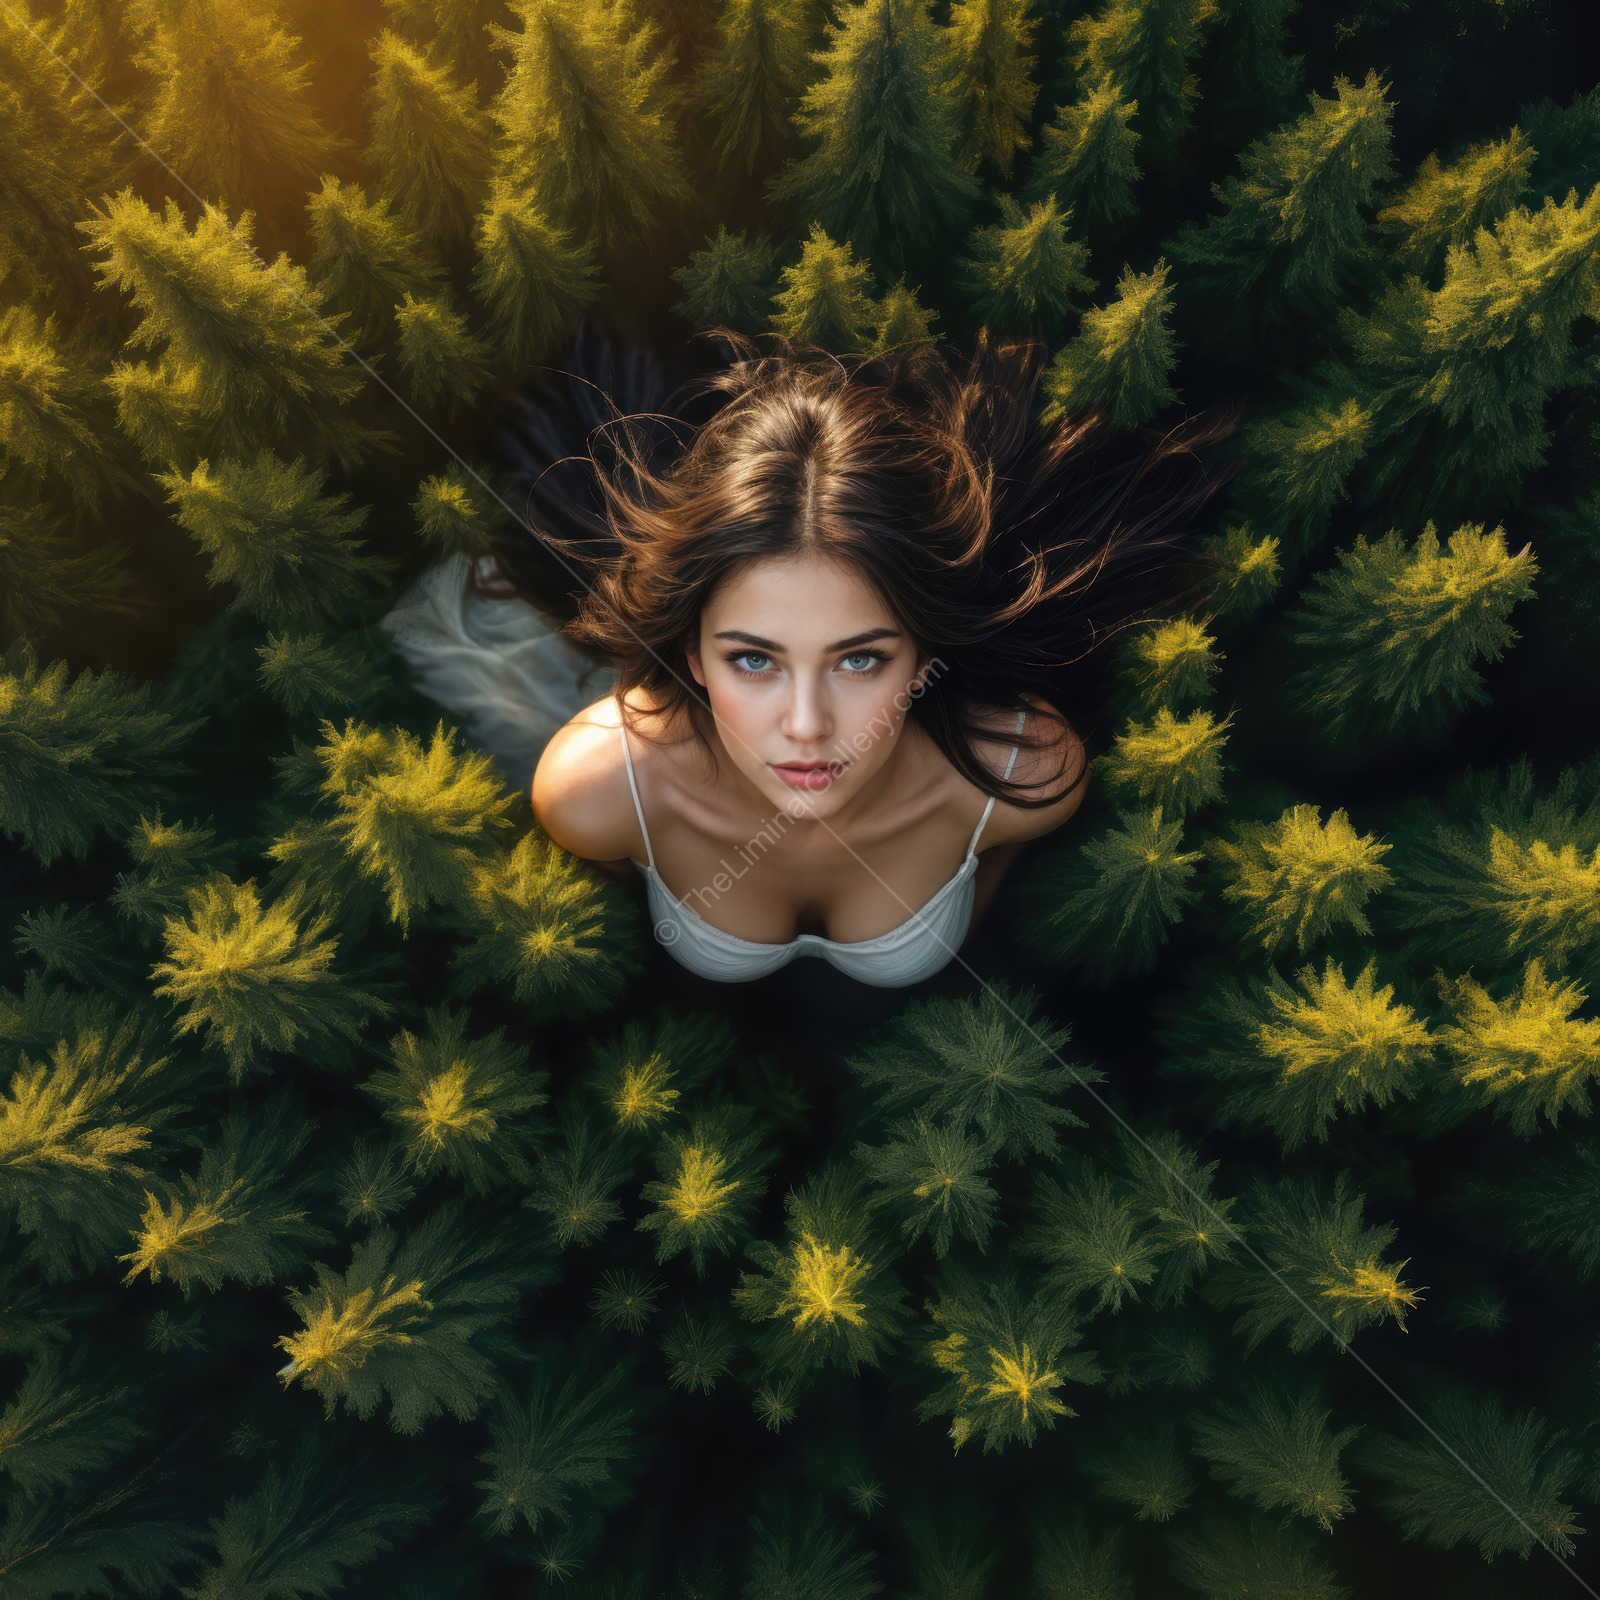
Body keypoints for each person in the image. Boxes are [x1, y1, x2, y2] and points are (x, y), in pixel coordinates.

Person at [380, 313, 1235, 987]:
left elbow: (995, 862)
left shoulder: (1023, 773)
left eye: (861, 659)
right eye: (753, 659)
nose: (806, 727)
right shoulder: (595, 792)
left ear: (925, 648)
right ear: (690, 649)